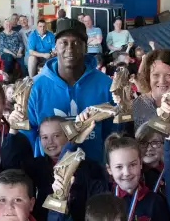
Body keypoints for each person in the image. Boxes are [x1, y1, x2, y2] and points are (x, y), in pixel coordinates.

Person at [26, 25, 113, 162]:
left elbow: (112, 135)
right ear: (55, 47)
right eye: (63, 42)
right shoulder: (35, 87)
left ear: (85, 47)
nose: (70, 48)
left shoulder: (105, 84)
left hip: (94, 173)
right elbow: (28, 136)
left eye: (77, 43)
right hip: (48, 175)